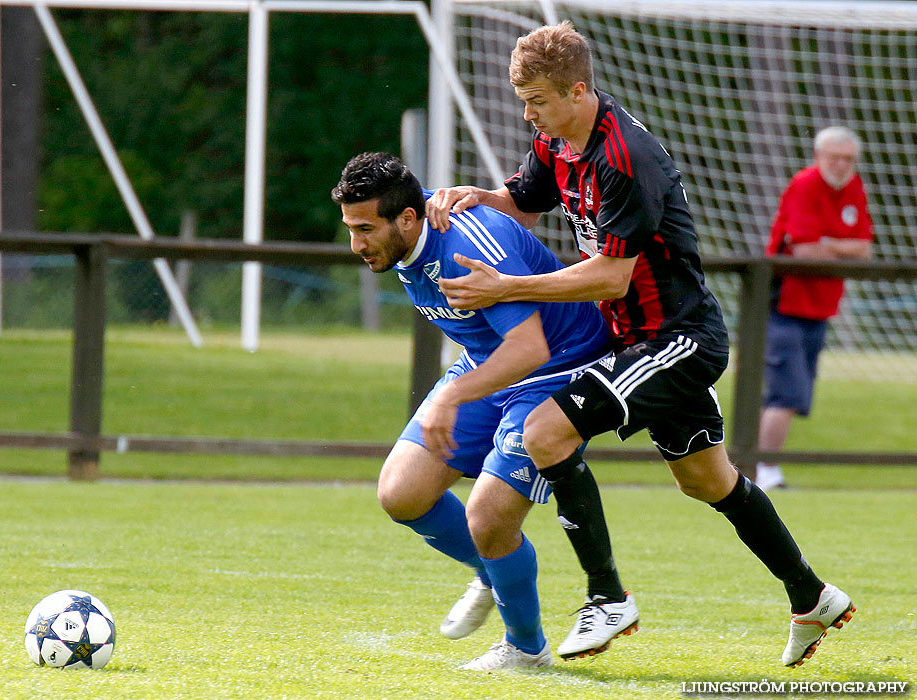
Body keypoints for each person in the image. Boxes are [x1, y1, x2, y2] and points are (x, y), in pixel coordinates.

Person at [425, 21, 854, 667]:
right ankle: (811, 595)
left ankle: (606, 598)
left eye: (537, 99)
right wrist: (477, 195)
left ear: (576, 90)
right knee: (706, 480)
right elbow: (524, 199)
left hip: (675, 337)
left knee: (546, 433)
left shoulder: (622, 157)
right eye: (524, 101)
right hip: (635, 338)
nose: (528, 113)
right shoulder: (555, 137)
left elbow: (610, 274)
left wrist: (505, 286)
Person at [332, 151, 615, 670]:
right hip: (489, 362)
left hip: (558, 368)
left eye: (366, 229)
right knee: (402, 493)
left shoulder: (464, 246)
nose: (357, 244)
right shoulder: (405, 234)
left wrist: (448, 396)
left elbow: (530, 349)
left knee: (488, 516)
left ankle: (526, 649)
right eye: (351, 228)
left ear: (408, 218)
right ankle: (491, 570)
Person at [757, 127, 874, 491]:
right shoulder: (805, 185)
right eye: (834, 157)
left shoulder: (853, 188)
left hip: (820, 308)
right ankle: (764, 471)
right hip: (784, 304)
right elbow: (806, 253)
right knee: (786, 393)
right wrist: (841, 246)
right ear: (818, 155)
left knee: (795, 393)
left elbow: (865, 248)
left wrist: (828, 244)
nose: (841, 165)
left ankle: (760, 468)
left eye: (848, 158)